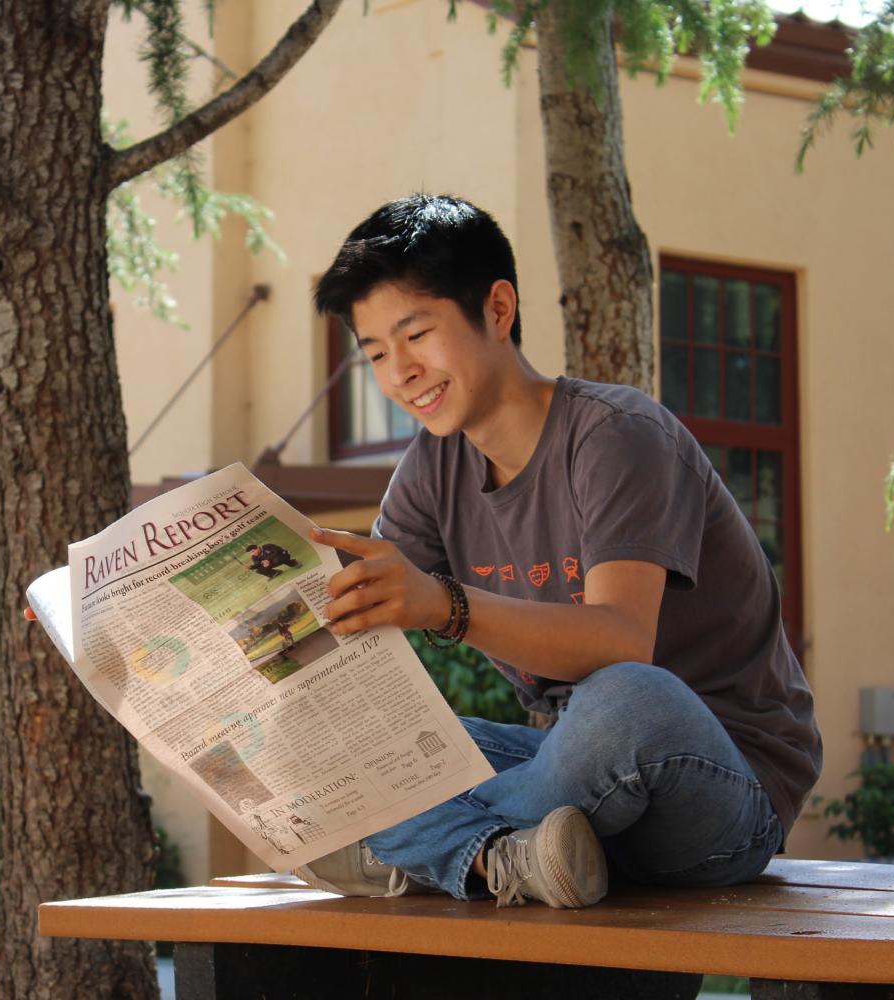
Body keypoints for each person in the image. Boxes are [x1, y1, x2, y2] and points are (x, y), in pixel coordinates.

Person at [295, 194, 821, 910]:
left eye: (416, 335)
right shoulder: (434, 464)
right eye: (378, 355)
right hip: (565, 785)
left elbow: (622, 639)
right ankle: (508, 857)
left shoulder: (617, 434)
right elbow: (359, 608)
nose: (401, 374)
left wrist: (443, 605)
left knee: (629, 699)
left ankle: (424, 849)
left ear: (499, 309)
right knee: (350, 752)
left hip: (715, 780)